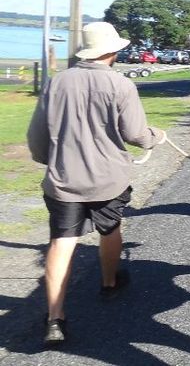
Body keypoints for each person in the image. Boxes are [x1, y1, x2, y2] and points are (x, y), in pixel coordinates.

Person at [27, 21, 165, 346]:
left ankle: (55, 318)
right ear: (113, 51)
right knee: (110, 228)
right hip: (108, 180)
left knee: (62, 241)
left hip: (63, 181)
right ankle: (108, 282)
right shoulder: (120, 84)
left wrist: (51, 159)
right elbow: (135, 134)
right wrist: (155, 138)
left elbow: (36, 138)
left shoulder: (56, 82)